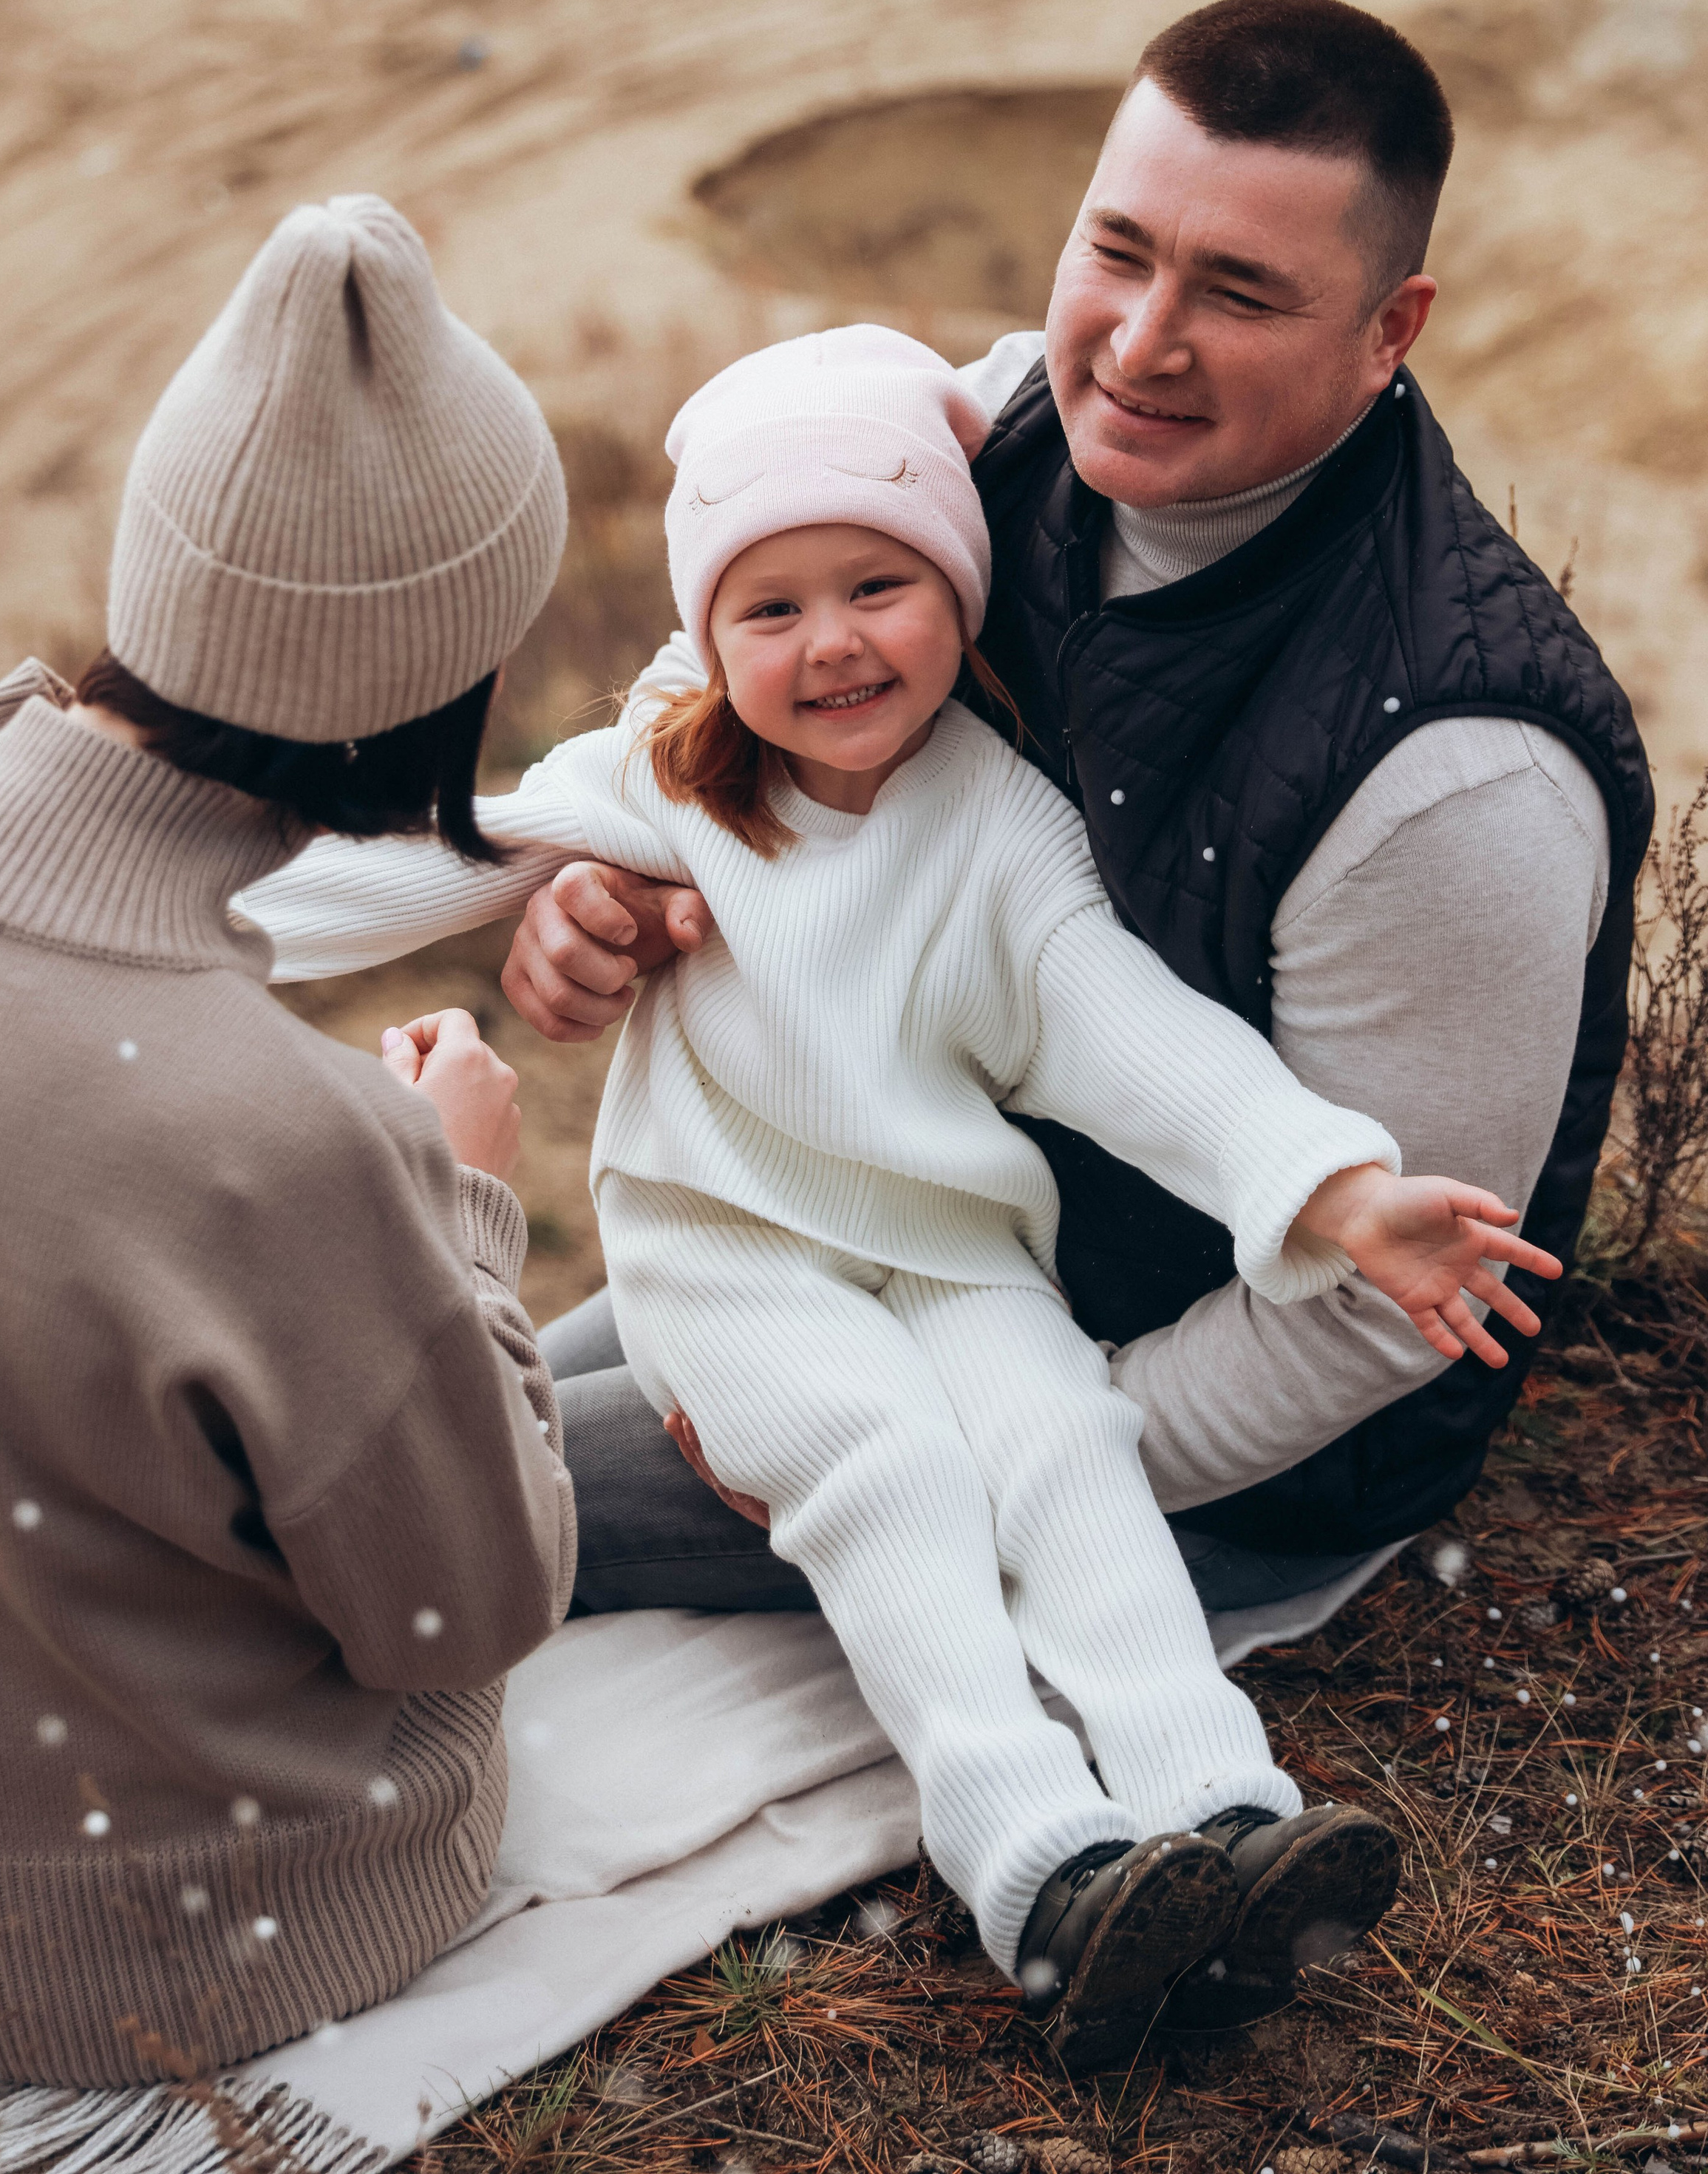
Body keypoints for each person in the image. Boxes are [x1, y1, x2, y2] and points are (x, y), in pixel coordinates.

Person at [242, 320, 1560, 2060]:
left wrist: (1329, 1186)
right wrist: (163, 910)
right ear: (708, 636)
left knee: (1061, 1444)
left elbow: (1129, 1033)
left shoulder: (1001, 821)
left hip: (953, 1247)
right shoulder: (666, 781)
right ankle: (1036, 1858)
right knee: (889, 1469)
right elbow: (432, 856)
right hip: (734, 1257)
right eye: (768, 608)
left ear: (958, 585)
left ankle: (1224, 1809)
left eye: (879, 583)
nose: (832, 642)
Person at [492, 0, 1656, 1621]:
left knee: (447, 1509)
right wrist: (604, 877)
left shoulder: (1455, 775)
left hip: (1174, 1438)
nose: (1134, 341)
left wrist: (1004, 1455)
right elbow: (707, 670)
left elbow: (1362, 1318)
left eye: (1236, 292)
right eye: (1117, 249)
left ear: (1389, 328)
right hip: (907, 1207)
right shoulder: (998, 415)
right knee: (451, 1412)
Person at [0, 196, 573, 2088]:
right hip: (173, 1945)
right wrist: (462, 1203)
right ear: (439, 681)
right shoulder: (288, 1142)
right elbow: (465, 1602)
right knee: (675, 1397)